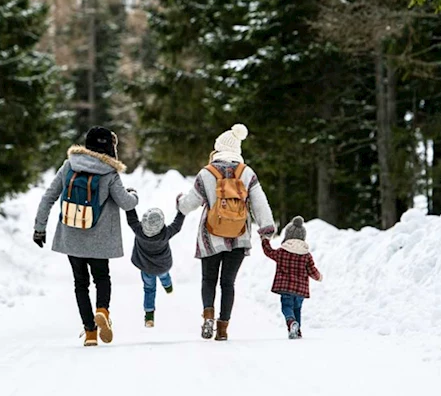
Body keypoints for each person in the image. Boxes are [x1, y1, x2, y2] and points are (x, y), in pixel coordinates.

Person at [32, 126, 138, 347]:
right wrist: (134, 194)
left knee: (80, 283)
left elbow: (48, 197)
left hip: (72, 236)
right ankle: (102, 311)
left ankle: (90, 332)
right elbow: (126, 203)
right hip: (100, 241)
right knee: (102, 278)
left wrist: (40, 228)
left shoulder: (70, 165)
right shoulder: (109, 173)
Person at [177, 123, 276, 341]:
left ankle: (208, 317)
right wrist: (266, 230)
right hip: (239, 236)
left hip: (210, 236)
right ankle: (222, 329)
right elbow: (260, 204)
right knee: (228, 283)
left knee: (208, 280)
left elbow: (188, 204)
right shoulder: (247, 173)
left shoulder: (207, 173)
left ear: (218, 148)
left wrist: (179, 203)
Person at [261, 216, 323, 339]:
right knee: (297, 309)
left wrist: (265, 239)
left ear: (288, 235)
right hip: (300, 290)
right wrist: (319, 277)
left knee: (287, 307)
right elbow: (312, 270)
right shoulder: (306, 255)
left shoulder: (282, 252)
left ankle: (291, 323)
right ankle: (297, 331)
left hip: (285, 288)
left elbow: (269, 252)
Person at [124, 205, 186, 327]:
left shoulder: (138, 231)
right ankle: (168, 287)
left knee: (149, 289)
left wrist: (129, 202)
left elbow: (131, 219)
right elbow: (177, 225)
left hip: (146, 268)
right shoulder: (166, 234)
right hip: (163, 266)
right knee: (164, 276)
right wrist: (181, 210)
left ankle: (149, 317)